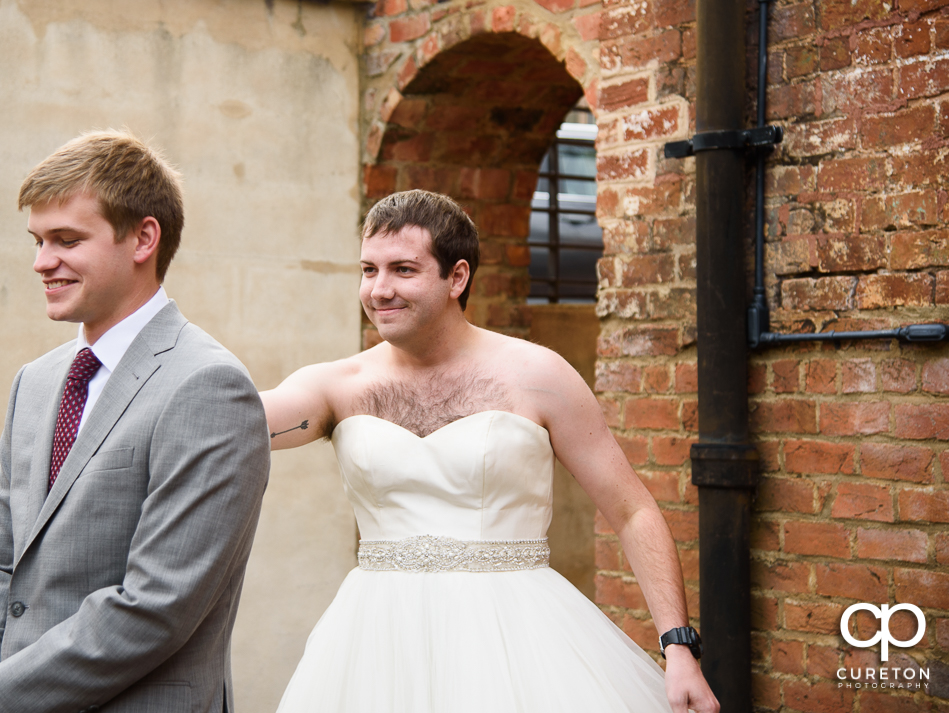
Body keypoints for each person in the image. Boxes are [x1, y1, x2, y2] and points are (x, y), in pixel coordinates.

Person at [261, 189, 719, 713]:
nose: (379, 290)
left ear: (457, 277)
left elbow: (632, 509)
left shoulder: (539, 375)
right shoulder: (336, 386)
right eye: (369, 270)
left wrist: (679, 647)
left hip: (521, 641)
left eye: (403, 270)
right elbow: (233, 419)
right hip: (375, 644)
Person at [0, 131, 270, 713]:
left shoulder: (208, 386)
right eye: (37, 241)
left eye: (66, 240)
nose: (41, 262)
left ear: (142, 238)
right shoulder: (34, 382)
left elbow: (158, 604)